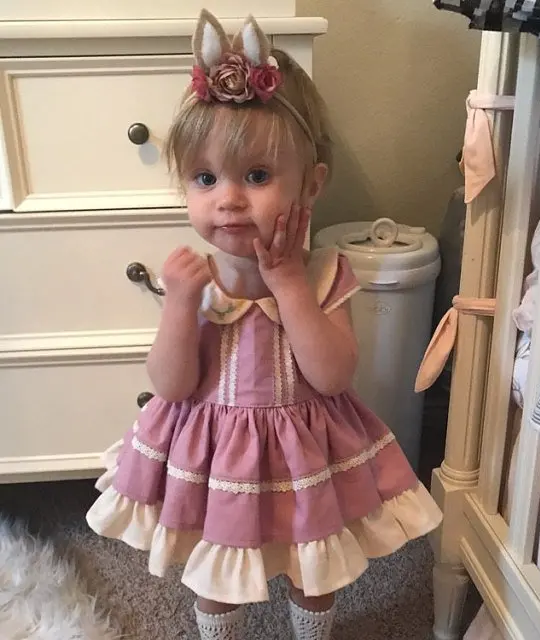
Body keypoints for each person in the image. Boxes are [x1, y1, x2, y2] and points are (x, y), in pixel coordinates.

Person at [86, 10, 443, 640]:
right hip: (213, 451)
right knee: (215, 565)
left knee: (314, 560)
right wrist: (179, 305)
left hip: (305, 447)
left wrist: (289, 284)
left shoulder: (326, 272)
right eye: (205, 178)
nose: (228, 198)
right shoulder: (194, 278)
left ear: (311, 185)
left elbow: (332, 376)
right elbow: (170, 384)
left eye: (256, 177)